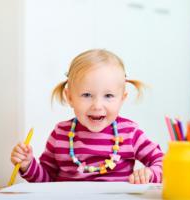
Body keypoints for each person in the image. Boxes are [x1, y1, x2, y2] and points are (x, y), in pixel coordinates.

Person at [11, 49, 164, 184]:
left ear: (122, 99)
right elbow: (45, 181)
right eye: (87, 95)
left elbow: (164, 163)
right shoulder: (61, 134)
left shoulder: (129, 133)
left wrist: (150, 173)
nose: (97, 105)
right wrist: (27, 164)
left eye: (109, 95)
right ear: (70, 97)